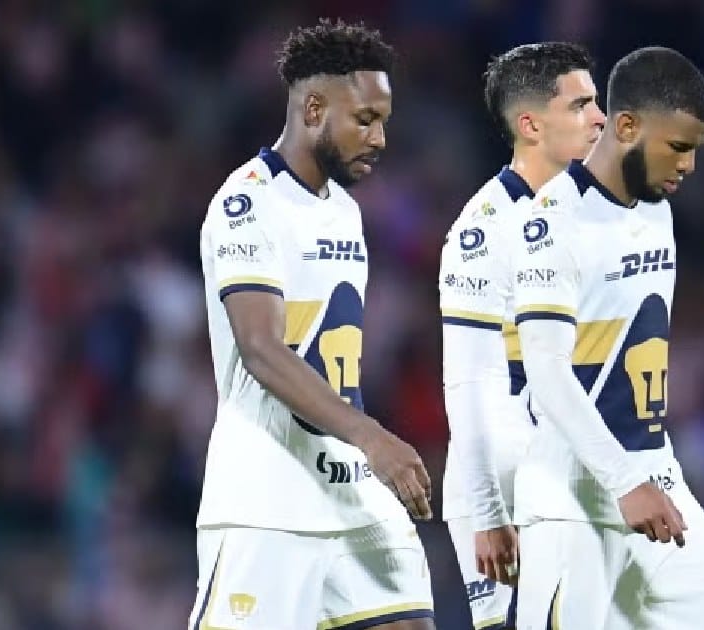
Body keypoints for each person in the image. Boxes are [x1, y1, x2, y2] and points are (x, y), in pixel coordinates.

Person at [188, 19, 436, 630]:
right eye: (365, 120)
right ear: (315, 109)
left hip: (347, 488)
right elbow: (260, 348)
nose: (379, 138)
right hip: (265, 500)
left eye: (384, 121)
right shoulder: (248, 204)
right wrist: (372, 436)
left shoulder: (346, 212)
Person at [510, 47, 704, 629]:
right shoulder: (552, 224)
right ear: (625, 126)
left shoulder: (655, 212)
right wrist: (622, 482)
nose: (689, 165)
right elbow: (546, 373)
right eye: (679, 146)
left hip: (654, 475)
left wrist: (639, 477)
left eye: (696, 149)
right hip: (574, 498)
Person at [438, 42, 605, 630]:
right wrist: (488, 512)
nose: (600, 118)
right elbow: (468, 382)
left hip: (573, 476)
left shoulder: (590, 215)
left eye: (597, 102)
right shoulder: (483, 232)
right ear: (531, 125)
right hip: (508, 488)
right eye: (580, 105)